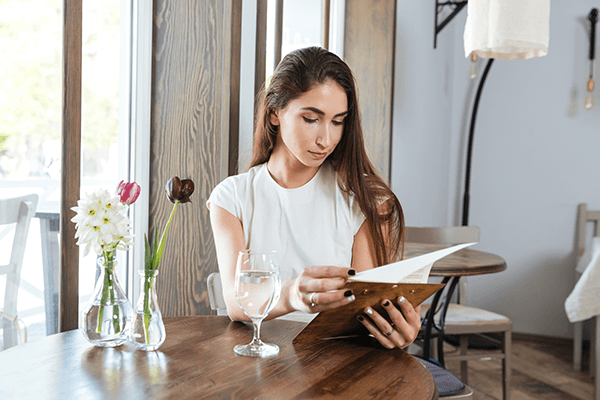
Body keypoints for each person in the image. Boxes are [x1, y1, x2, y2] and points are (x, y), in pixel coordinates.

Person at [207, 46, 421, 349]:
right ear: (274, 113)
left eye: (338, 121)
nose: (326, 139)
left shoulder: (363, 199)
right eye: (311, 118)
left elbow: (363, 311)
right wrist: (293, 294)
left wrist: (395, 329)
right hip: (260, 363)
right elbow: (236, 301)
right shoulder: (232, 197)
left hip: (337, 361)